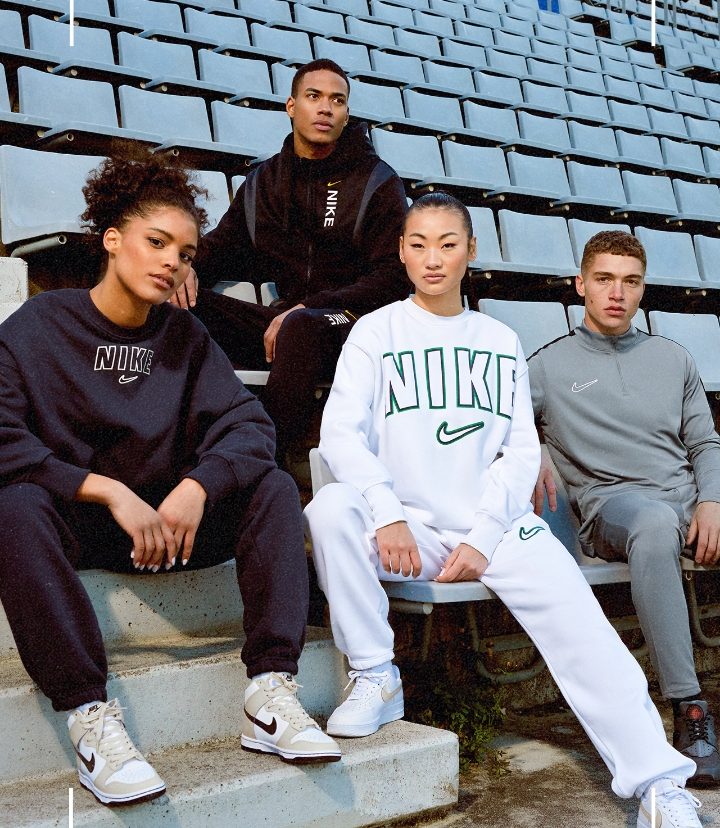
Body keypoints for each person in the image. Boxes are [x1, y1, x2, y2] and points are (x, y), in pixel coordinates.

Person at [304, 193, 704, 828]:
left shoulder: (499, 339)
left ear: (470, 251)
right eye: (418, 244)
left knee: (585, 632)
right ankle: (376, 673)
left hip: (498, 529)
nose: (433, 258)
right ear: (401, 251)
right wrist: (385, 512)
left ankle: (658, 784)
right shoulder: (374, 332)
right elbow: (340, 437)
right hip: (409, 528)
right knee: (329, 510)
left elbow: (519, 451)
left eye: (448, 244)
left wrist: (485, 535)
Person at [0, 154, 341, 808]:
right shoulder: (39, 326)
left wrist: (197, 487)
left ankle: (269, 692)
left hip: (173, 528)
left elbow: (250, 427)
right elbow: (4, 439)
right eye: (156, 242)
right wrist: (106, 490)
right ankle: (89, 717)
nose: (171, 263)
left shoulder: (185, 335)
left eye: (184, 254)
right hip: (86, 527)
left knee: (271, 486)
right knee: (14, 506)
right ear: (112, 239)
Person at [529, 230, 720, 788]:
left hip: (687, 501)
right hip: (615, 509)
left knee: (668, 516)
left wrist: (711, 501)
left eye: (630, 281)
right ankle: (688, 708)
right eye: (605, 279)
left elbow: (705, 444)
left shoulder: (673, 357)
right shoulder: (546, 367)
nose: (617, 293)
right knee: (654, 523)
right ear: (580, 285)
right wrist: (533, 449)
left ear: (642, 289)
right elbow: (497, 426)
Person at [175, 58, 409, 461]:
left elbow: (394, 275)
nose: (325, 108)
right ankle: (167, 445)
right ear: (291, 106)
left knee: (300, 326)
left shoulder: (376, 181)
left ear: (346, 114)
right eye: (314, 96)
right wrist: (184, 266)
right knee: (176, 301)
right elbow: (225, 245)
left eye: (337, 100)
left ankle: (262, 463)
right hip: (285, 327)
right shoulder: (265, 181)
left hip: (353, 322)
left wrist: (313, 306)